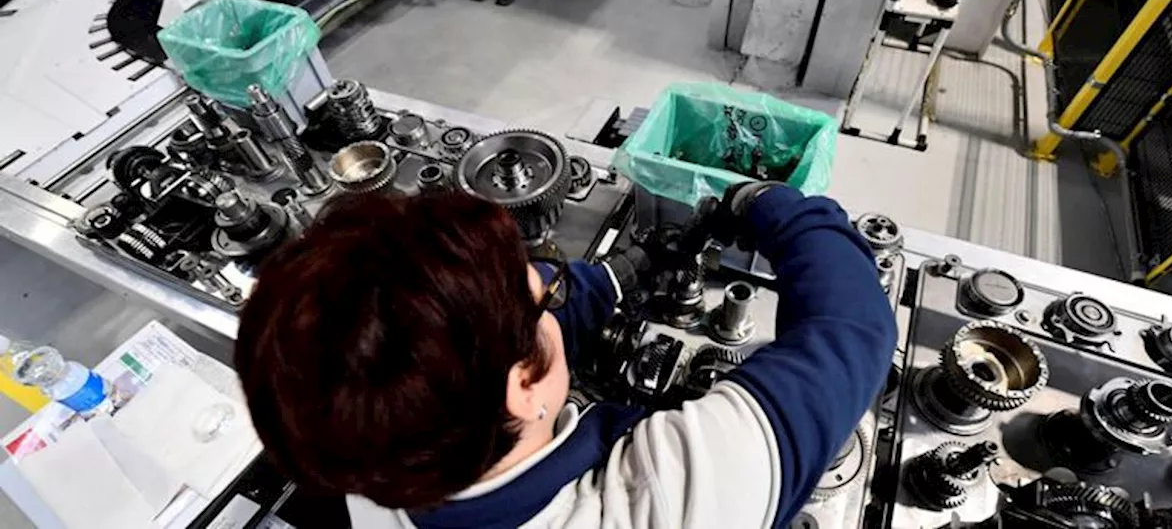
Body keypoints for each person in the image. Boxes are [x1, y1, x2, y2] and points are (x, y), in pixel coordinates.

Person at [234, 183, 896, 528]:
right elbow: (851, 330)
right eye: (545, 293)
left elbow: (503, 339)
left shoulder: (370, 462)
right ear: (522, 382)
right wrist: (770, 205)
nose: (555, 288)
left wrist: (619, 276)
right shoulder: (664, 501)